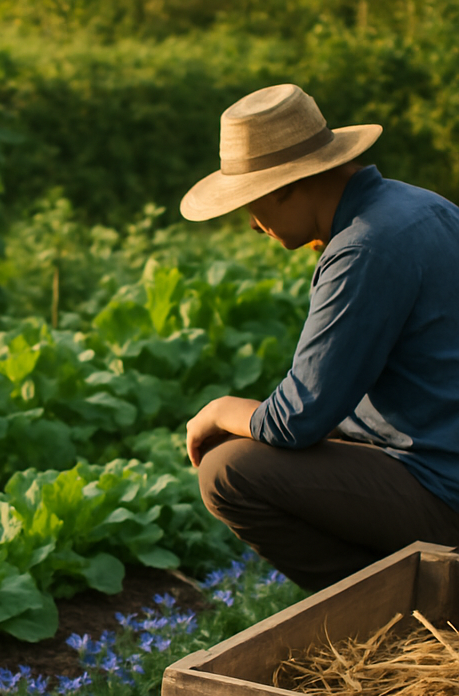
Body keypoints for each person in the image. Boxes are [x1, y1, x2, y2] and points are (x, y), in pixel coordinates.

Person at [179, 83, 459, 591]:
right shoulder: (420, 206)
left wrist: (220, 409)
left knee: (228, 472)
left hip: (446, 488)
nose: (251, 224)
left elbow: (296, 420)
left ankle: (401, 610)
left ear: (290, 184)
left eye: (252, 202)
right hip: (442, 450)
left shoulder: (363, 248)